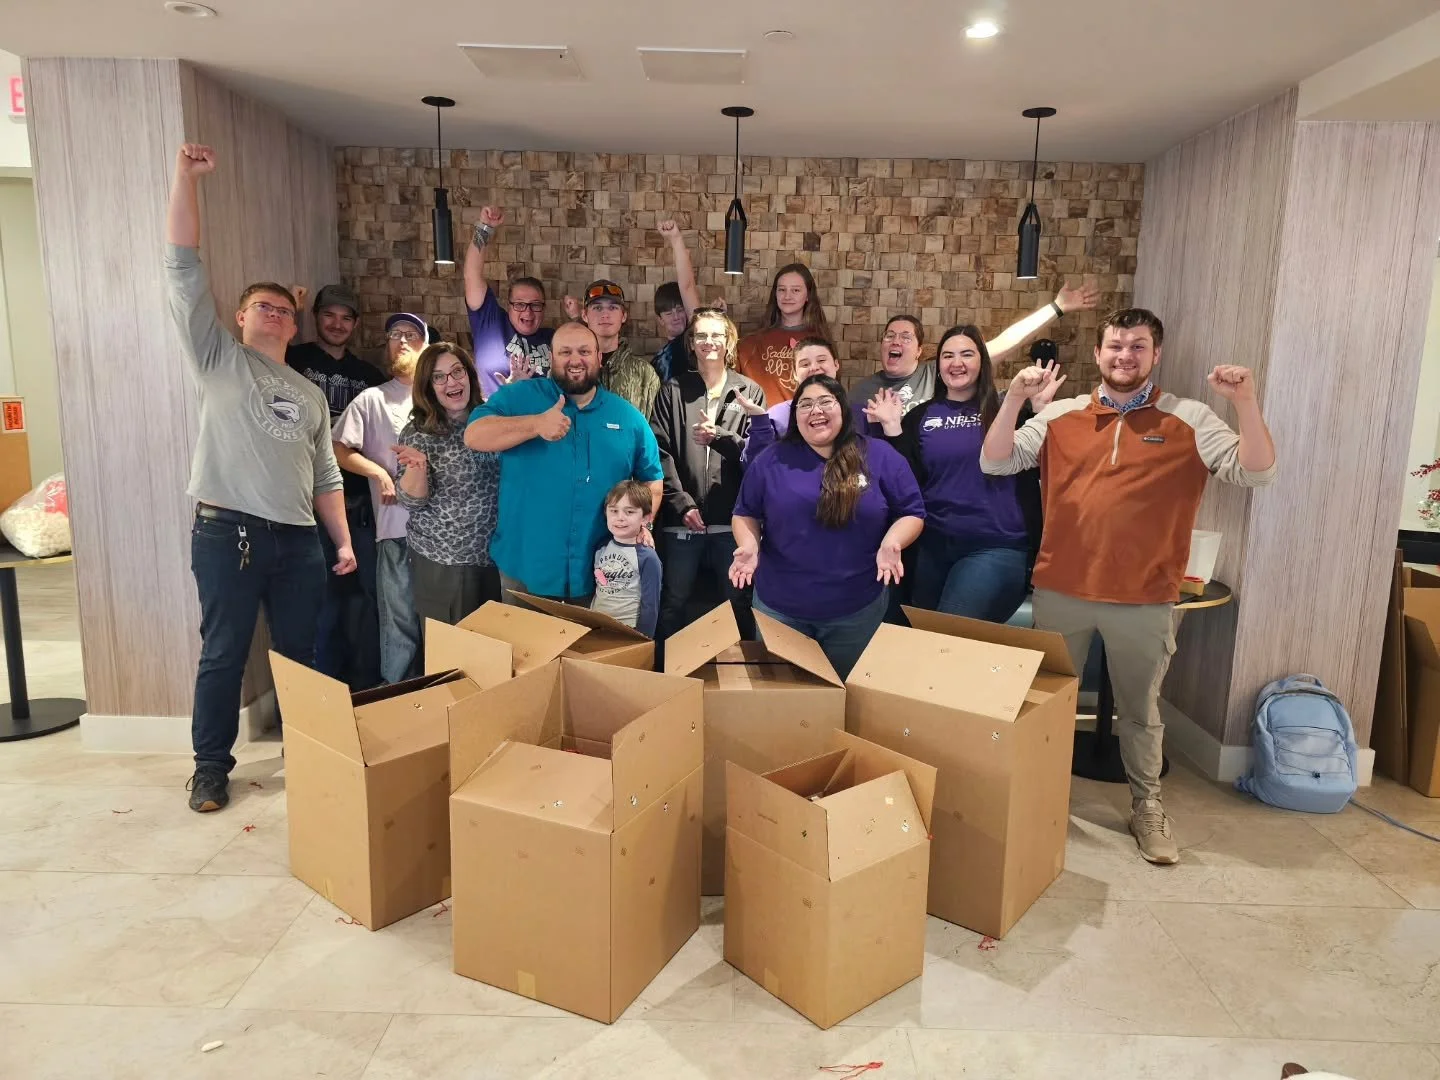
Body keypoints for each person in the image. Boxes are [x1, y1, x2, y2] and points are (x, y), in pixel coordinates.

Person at [981, 307, 1278, 866]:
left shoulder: (1189, 418)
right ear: (1098, 354)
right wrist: (1015, 398)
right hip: (1062, 590)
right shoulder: (1062, 415)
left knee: (1141, 713)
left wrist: (1244, 401)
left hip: (1145, 597)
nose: (1125, 356)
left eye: (1137, 346)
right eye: (1116, 346)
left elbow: (1257, 471)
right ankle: (1040, 803)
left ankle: (1148, 807)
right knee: (1047, 708)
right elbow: (997, 462)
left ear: (1155, 354)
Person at [165, 142, 356, 813]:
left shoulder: (308, 393)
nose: (274, 314)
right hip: (229, 534)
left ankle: (303, 751)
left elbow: (325, 474)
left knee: (299, 652)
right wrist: (184, 180)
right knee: (223, 652)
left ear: (292, 325)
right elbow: (182, 267)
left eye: (283, 309)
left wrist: (342, 541)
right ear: (240, 318)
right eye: (262, 307)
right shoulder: (218, 358)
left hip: (298, 540)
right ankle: (210, 769)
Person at [730, 375, 925, 678]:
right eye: (805, 404)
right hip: (780, 607)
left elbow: (912, 512)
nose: (816, 410)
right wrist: (749, 545)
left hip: (856, 607)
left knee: (847, 690)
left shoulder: (880, 455)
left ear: (843, 408)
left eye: (825, 402)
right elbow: (745, 513)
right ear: (795, 416)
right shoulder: (771, 459)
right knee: (785, 693)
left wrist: (892, 541)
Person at [872, 325, 1063, 623]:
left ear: (982, 362)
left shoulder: (1008, 409)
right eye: (948, 355)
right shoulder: (920, 417)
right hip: (933, 546)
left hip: (995, 545)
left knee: (949, 632)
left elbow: (1043, 463)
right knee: (921, 632)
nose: (956, 363)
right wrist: (893, 429)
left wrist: (1038, 413)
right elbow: (905, 481)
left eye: (967, 354)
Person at [466, 321, 664, 602]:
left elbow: (652, 481)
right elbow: (474, 435)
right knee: (521, 633)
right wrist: (535, 424)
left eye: (584, 351)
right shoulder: (518, 397)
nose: (575, 360)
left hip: (600, 575)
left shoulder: (628, 416)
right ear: (551, 358)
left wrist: (642, 525)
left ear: (599, 357)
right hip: (525, 571)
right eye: (565, 352)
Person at [288, 285, 386, 691]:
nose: (337, 324)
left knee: (364, 601)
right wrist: (291, 310)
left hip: (358, 504)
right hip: (305, 504)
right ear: (315, 317)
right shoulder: (295, 360)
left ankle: (363, 688)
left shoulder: (369, 377)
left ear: (356, 324)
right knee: (318, 603)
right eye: (329, 315)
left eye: (346, 318)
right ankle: (321, 695)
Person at [650, 309, 765, 642]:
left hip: (734, 523)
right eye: (701, 335)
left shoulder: (749, 391)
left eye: (716, 335)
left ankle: (742, 667)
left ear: (729, 342)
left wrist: (720, 438)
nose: (709, 341)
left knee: (738, 601)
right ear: (691, 343)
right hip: (681, 523)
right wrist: (682, 503)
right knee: (673, 601)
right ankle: (667, 666)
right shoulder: (672, 390)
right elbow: (659, 451)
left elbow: (757, 456)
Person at [851, 282, 1102, 417]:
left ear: (919, 350)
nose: (895, 341)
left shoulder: (941, 371)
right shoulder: (860, 391)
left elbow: (1007, 341)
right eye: (889, 336)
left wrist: (1057, 307)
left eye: (906, 337)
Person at [331, 327, 425, 683]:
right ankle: (397, 697)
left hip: (447, 537)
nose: (403, 341)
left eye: (412, 335)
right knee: (399, 621)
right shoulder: (373, 399)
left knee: (444, 624)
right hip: (395, 529)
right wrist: (378, 473)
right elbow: (338, 448)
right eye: (395, 334)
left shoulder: (443, 395)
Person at [395, 343, 502, 629]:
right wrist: (417, 469)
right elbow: (412, 502)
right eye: (439, 377)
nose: (451, 382)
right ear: (428, 387)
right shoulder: (419, 432)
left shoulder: (491, 418)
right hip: (446, 562)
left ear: (469, 375)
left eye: (457, 372)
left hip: (496, 558)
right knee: (453, 649)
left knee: (496, 646)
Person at [464, 205, 555, 398]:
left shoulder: (554, 338)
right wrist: (484, 228)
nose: (528, 312)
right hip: (495, 413)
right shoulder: (491, 322)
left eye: (535, 305)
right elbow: (472, 274)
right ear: (509, 305)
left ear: (544, 308)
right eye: (520, 304)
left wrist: (577, 316)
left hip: (542, 415)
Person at [738, 335, 866, 465]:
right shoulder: (777, 416)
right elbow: (753, 465)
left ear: (836, 364)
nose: (814, 368)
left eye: (821, 360)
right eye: (805, 364)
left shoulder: (862, 414)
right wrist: (760, 424)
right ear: (794, 373)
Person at [735, 263, 831, 407]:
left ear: (808, 295)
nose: (787, 296)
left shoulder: (820, 344)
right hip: (760, 418)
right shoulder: (751, 344)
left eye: (796, 290)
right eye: (782, 290)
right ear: (775, 294)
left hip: (804, 418)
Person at [591, 480, 663, 637]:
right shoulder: (601, 547)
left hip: (628, 631)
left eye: (629, 512)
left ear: (645, 518)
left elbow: (650, 605)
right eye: (614, 511)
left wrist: (643, 639)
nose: (620, 518)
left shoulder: (648, 557)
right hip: (597, 628)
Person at [651, 220, 703, 381]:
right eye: (668, 313)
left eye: (680, 310)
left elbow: (687, 286)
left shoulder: (695, 337)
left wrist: (676, 239)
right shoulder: (657, 362)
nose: (676, 317)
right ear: (660, 319)